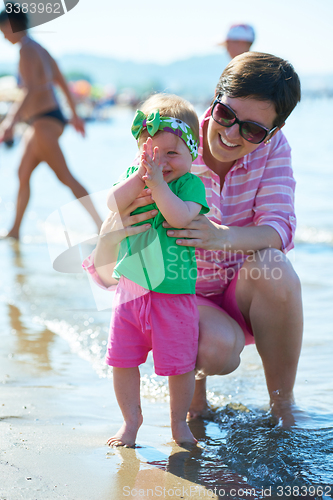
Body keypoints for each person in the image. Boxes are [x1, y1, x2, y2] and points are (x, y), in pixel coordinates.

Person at [85, 52, 303, 428]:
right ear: (215, 100)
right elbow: (119, 234)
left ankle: (282, 407)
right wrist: (110, 233)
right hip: (178, 290)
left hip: (238, 290)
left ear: (274, 131)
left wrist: (220, 237)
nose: (231, 134)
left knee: (276, 267)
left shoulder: (274, 150)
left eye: (252, 130)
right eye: (225, 116)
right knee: (217, 350)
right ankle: (192, 399)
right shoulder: (173, 141)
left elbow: (278, 228)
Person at [87, 93, 209, 447]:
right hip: (131, 291)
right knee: (122, 360)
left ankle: (178, 423)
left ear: (191, 154)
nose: (160, 161)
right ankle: (131, 420)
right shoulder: (136, 176)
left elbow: (180, 216)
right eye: (151, 152)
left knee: (179, 365)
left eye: (171, 153)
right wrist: (140, 177)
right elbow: (111, 203)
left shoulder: (190, 185)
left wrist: (157, 186)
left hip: (173, 295)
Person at [0, 3, 102, 239]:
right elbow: (60, 80)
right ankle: (14, 230)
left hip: (44, 120)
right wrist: (74, 116)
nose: (3, 36)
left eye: (3, 30)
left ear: (10, 25)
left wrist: (10, 122)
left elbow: (32, 90)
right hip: (47, 120)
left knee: (65, 176)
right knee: (23, 173)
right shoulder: (40, 48)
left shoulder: (26, 50)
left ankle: (101, 225)